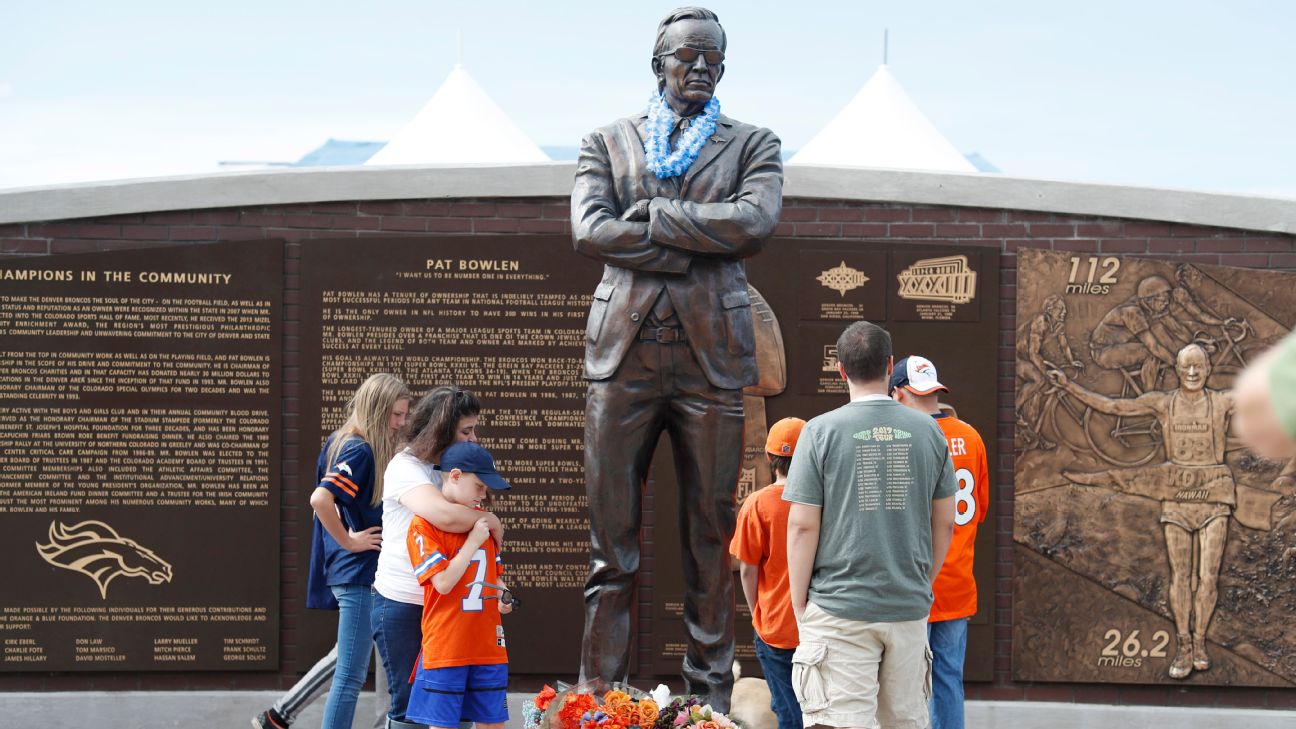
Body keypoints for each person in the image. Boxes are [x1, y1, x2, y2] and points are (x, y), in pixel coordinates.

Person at [570, 6, 783, 709]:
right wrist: (702, 239)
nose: (698, 70)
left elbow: (753, 223)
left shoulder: (753, 144)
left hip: (711, 362)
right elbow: (591, 230)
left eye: (711, 62)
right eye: (685, 58)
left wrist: (655, 220)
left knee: (710, 539)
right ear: (657, 63)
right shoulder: (607, 141)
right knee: (612, 547)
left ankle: (707, 702)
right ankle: (598, 698)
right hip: (622, 359)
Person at [784, 321, 957, 729]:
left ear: (840, 370)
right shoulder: (930, 432)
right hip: (907, 607)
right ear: (889, 364)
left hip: (838, 608)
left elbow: (802, 527)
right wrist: (920, 581)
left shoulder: (819, 432)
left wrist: (799, 603)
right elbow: (945, 521)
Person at [1049, 344, 1232, 679]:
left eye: (1198, 366)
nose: (1192, 373)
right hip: (1176, 495)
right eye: (1186, 367)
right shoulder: (1163, 403)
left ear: (1208, 368)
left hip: (1215, 496)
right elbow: (1113, 405)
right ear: (1177, 369)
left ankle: (1202, 641)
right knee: (1181, 576)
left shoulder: (1222, 402)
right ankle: (1184, 643)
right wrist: (1068, 386)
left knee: (1208, 577)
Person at [252, 374, 411, 729]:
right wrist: (350, 541)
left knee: (349, 664)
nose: (400, 423)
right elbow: (320, 499)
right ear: (376, 409)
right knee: (350, 675)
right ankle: (280, 716)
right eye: (396, 415)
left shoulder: (344, 442)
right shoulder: (359, 449)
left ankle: (280, 715)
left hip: (359, 571)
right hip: (359, 572)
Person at [373, 386, 504, 729]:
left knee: (451, 710)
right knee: (409, 707)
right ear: (440, 430)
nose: (473, 438)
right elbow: (443, 516)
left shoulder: (452, 465)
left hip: (449, 609)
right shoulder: (405, 467)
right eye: (466, 431)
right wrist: (488, 520)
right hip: (404, 602)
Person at [890, 356, 990, 729]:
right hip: (959, 581)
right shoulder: (972, 436)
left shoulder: (907, 437)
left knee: (905, 685)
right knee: (949, 679)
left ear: (898, 393)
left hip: (914, 583)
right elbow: (978, 511)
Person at [405, 441, 513, 729]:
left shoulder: (483, 524)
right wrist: (473, 541)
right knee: (442, 724)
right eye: (478, 486)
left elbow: (493, 575)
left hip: (488, 643)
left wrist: (502, 593)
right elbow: (442, 582)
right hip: (447, 645)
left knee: (494, 722)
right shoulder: (424, 525)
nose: (483, 495)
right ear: (455, 476)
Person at [729, 417, 806, 729]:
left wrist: (757, 612)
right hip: (818, 626)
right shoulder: (822, 501)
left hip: (774, 626)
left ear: (769, 457)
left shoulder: (756, 504)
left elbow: (747, 570)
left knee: (786, 710)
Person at [1015, 295, 1081, 450]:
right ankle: (1015, 409)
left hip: (1032, 359)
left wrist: (1071, 361)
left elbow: (1064, 345)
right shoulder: (1040, 322)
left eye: (1065, 308)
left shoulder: (1058, 324)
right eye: (1061, 309)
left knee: (1039, 395)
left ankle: (1034, 435)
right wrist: (1046, 374)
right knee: (1039, 380)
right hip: (1019, 358)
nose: (1064, 312)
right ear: (1050, 310)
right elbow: (1033, 353)